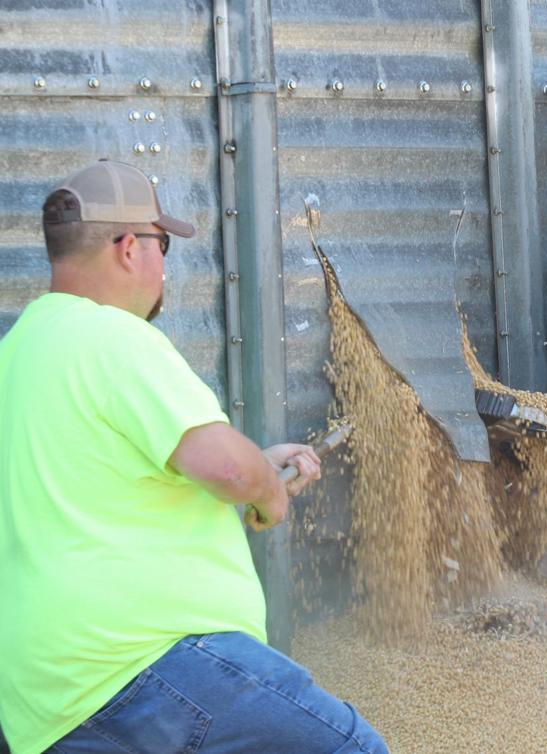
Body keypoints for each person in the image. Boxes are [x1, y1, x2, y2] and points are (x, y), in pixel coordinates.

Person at [0, 160, 387, 754]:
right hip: (146, 664)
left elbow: (103, 488)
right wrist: (267, 488)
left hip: (45, 705)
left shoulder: (19, 352)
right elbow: (228, 470)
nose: (163, 265)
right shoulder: (114, 336)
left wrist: (258, 462)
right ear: (129, 247)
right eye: (162, 245)